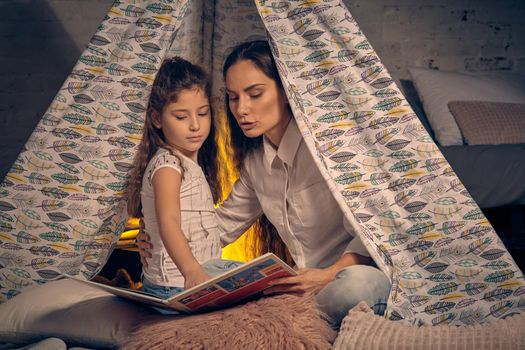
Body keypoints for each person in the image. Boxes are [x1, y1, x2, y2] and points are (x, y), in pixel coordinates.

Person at [138, 41, 391, 326]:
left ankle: (289, 319)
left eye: (255, 94)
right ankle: (285, 320)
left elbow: (370, 235)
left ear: (285, 92)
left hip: (341, 277)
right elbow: (219, 226)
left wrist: (326, 276)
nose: (242, 109)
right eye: (233, 98)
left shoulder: (329, 154)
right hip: (295, 287)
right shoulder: (255, 164)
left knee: (356, 286)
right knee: (219, 275)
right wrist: (159, 238)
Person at [127, 57, 240, 299]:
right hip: (177, 284)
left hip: (201, 274)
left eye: (202, 113)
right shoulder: (168, 165)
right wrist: (192, 272)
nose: (195, 125)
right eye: (181, 117)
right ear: (157, 119)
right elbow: (168, 220)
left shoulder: (191, 163)